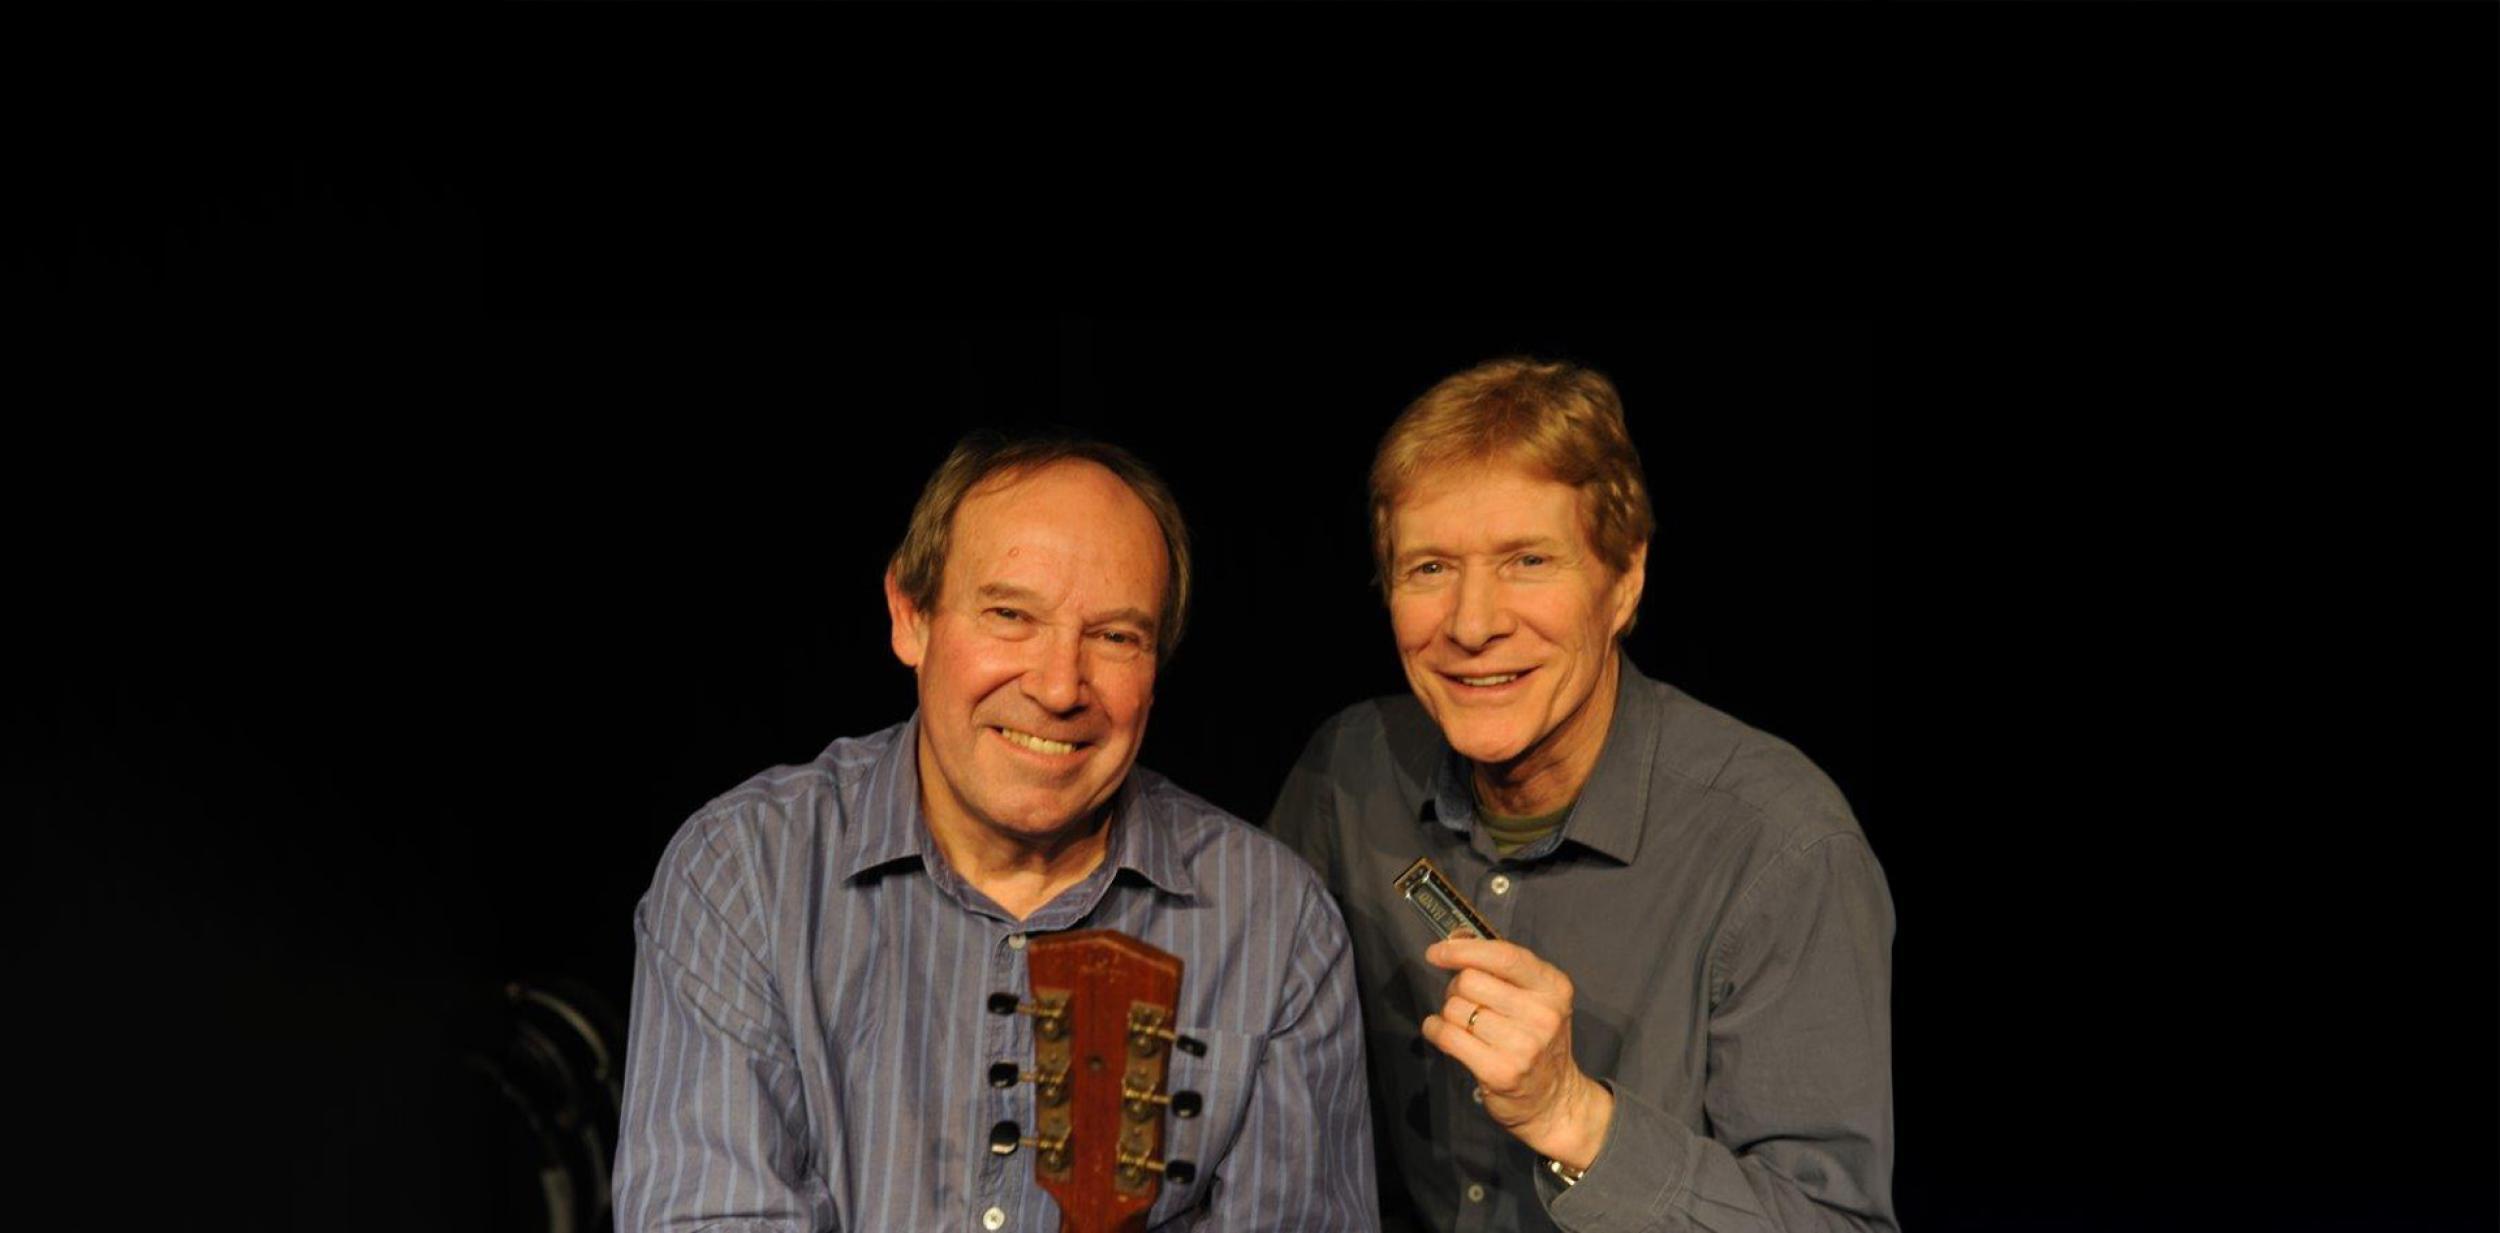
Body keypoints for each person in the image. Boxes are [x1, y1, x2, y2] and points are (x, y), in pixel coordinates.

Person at [616, 433, 1378, 1233]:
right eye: (1011, 615)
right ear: (910, 616)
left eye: (1116, 636)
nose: (1058, 686)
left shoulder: (1275, 923)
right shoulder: (745, 871)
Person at [1267, 359, 1895, 1233]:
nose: (1473, 623)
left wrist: (1573, 1115)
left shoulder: (1782, 846)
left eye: (1527, 561)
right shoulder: (1346, 775)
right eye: (1430, 567)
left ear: (1624, 580)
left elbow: (1835, 1223)